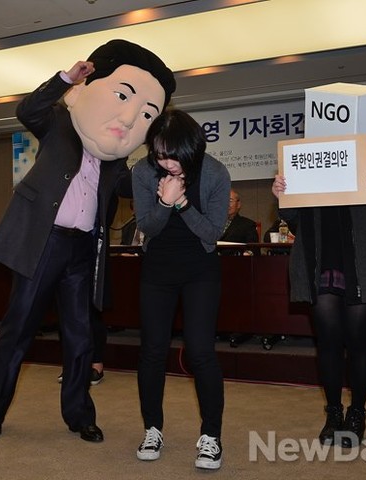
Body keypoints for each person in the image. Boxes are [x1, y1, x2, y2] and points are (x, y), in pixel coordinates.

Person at [0, 39, 175, 443]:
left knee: (80, 336)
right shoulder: (58, 124)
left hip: (83, 250)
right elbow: (27, 109)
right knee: (17, 331)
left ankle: (80, 415)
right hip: (44, 242)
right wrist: (67, 79)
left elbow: (128, 187)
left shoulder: (115, 157)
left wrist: (166, 170)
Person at [271, 146, 366, 448]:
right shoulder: (310, 154)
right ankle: (333, 413)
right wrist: (283, 196)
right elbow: (293, 219)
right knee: (328, 340)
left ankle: (357, 412)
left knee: (358, 339)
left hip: (363, 261)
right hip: (321, 257)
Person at [132, 109, 230, 469]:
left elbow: (212, 233)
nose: (166, 163)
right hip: (157, 270)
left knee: (201, 351)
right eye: (159, 155)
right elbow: (148, 227)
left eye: (173, 156)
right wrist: (162, 203)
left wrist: (182, 203)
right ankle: (152, 429)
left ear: (192, 148)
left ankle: (211, 436)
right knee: (152, 351)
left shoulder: (215, 172)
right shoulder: (143, 172)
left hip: (200, 270)